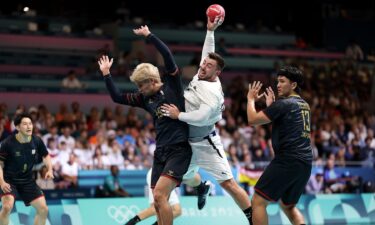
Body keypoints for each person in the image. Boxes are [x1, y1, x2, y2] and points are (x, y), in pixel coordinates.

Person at [160, 16, 253, 224]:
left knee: (229, 183)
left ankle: (253, 218)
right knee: (185, 176)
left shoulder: (211, 93)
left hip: (205, 143)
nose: (203, 66)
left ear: (217, 73)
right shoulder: (203, 73)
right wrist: (210, 31)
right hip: (186, 142)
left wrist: (179, 115)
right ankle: (202, 187)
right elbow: (207, 54)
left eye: (209, 66)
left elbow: (201, 118)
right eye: (204, 63)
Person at [98, 25, 192, 225]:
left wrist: (149, 36)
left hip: (179, 150)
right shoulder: (144, 98)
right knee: (158, 202)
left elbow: (167, 55)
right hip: (160, 152)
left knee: (159, 196)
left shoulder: (172, 86)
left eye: (141, 85)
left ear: (151, 81)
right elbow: (116, 97)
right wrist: (107, 74)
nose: (139, 90)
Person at [246, 66, 313, 225]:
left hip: (287, 160)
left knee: (257, 202)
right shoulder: (304, 105)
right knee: (288, 206)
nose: (278, 85)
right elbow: (286, 124)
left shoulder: (284, 104)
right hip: (305, 163)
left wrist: (250, 99)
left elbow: (252, 119)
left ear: (294, 85)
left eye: (282, 81)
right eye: (277, 81)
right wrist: (272, 107)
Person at [0, 113, 54, 225]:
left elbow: (46, 155)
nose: (29, 126)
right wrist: (2, 182)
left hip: (28, 181)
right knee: (6, 208)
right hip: (9, 180)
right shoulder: (8, 143)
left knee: (43, 209)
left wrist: (50, 169)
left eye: (30, 123)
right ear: (18, 127)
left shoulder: (36, 141)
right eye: (25, 124)